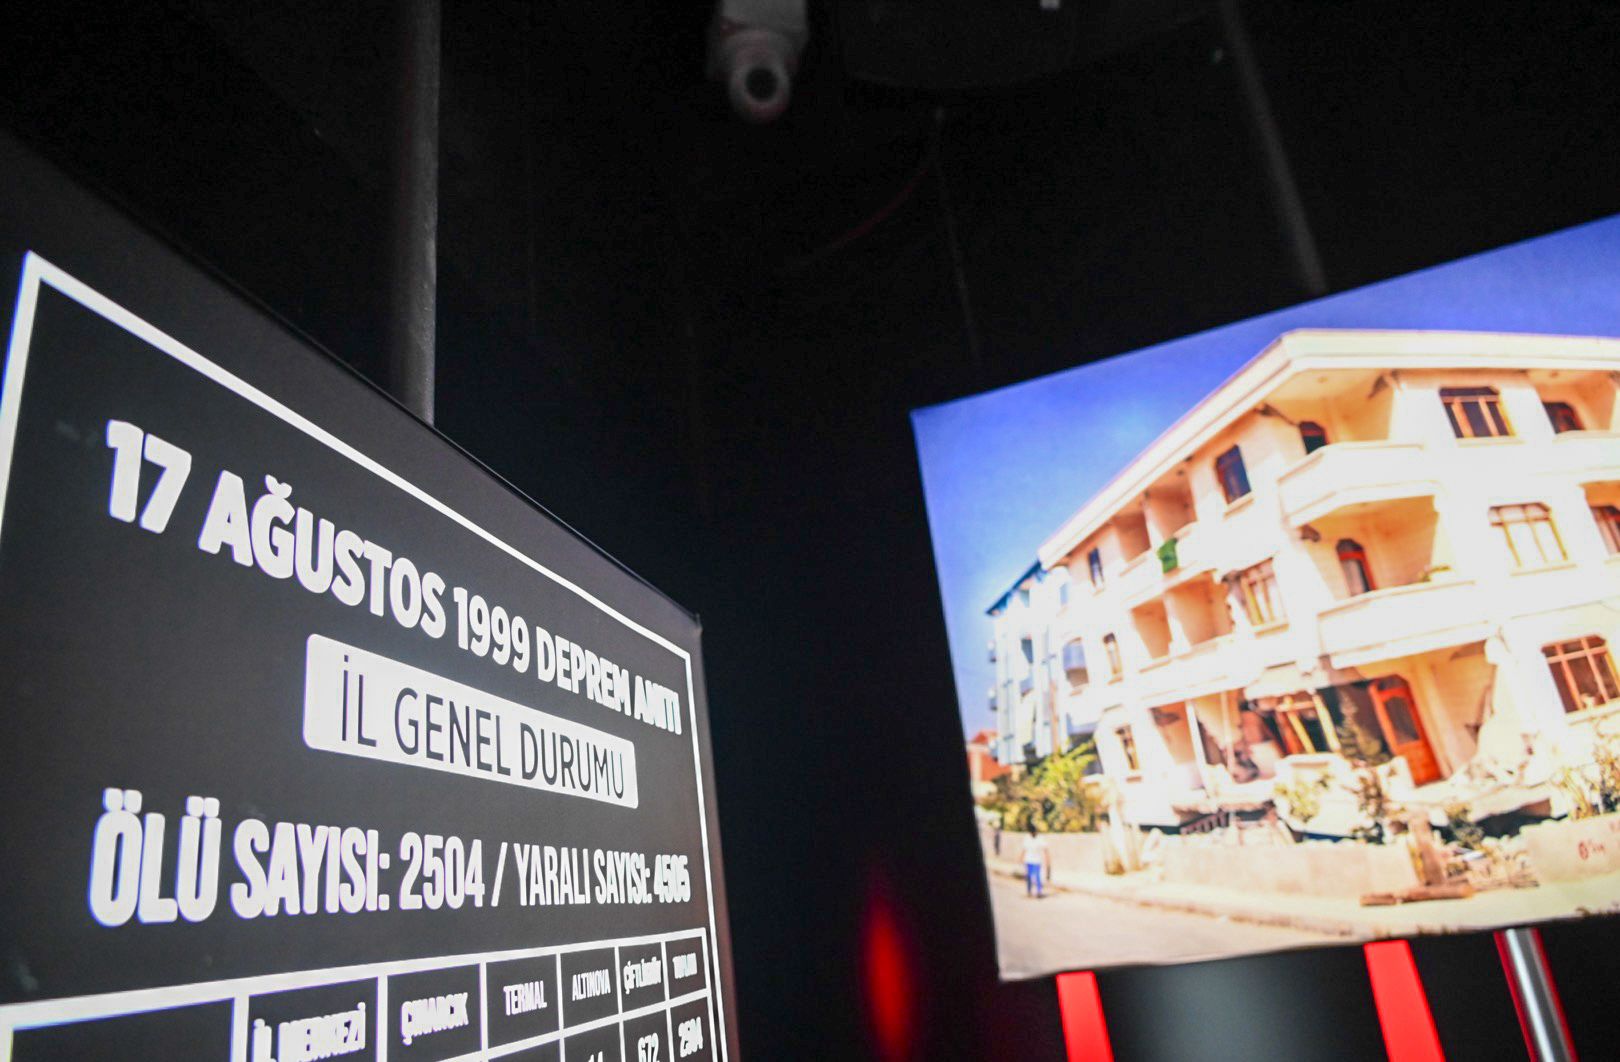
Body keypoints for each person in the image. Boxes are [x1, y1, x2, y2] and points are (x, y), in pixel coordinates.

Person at [1022, 826, 1051, 898]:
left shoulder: (1040, 838)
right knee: (1028, 877)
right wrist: (1021, 857)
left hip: (1037, 861)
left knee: (1037, 877)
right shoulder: (1027, 838)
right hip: (1028, 860)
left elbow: (1045, 849)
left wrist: (1047, 859)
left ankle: (1039, 892)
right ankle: (1029, 891)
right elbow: (1024, 849)